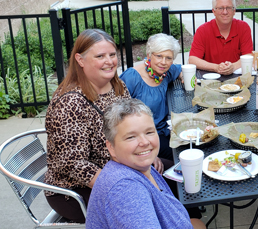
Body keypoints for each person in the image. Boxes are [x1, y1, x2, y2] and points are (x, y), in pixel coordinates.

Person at [44, 29, 130, 223]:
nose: (109, 61)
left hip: (118, 169)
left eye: (112, 54)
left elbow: (133, 125)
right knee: (137, 203)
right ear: (80, 60)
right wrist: (123, 184)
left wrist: (145, 158)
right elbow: (74, 165)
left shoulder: (117, 86)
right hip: (75, 190)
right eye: (100, 56)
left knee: (173, 177)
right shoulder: (70, 103)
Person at [86, 98, 205, 229]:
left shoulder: (141, 167)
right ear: (111, 148)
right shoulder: (125, 190)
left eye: (149, 132)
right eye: (131, 137)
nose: (144, 142)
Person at [120, 33, 182, 162]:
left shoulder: (165, 72)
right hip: (140, 138)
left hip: (162, 132)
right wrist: (145, 151)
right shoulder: (132, 77)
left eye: (168, 58)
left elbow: (180, 69)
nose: (163, 62)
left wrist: (183, 75)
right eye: (159, 56)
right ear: (149, 55)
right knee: (181, 154)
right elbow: (119, 117)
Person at [188, 0, 253, 75]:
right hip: (209, 79)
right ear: (214, 11)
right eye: (221, 8)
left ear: (234, 11)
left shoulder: (243, 27)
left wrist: (233, 66)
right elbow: (193, 59)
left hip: (237, 79)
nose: (225, 12)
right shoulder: (202, 30)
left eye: (228, 8)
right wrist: (216, 67)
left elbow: (248, 56)